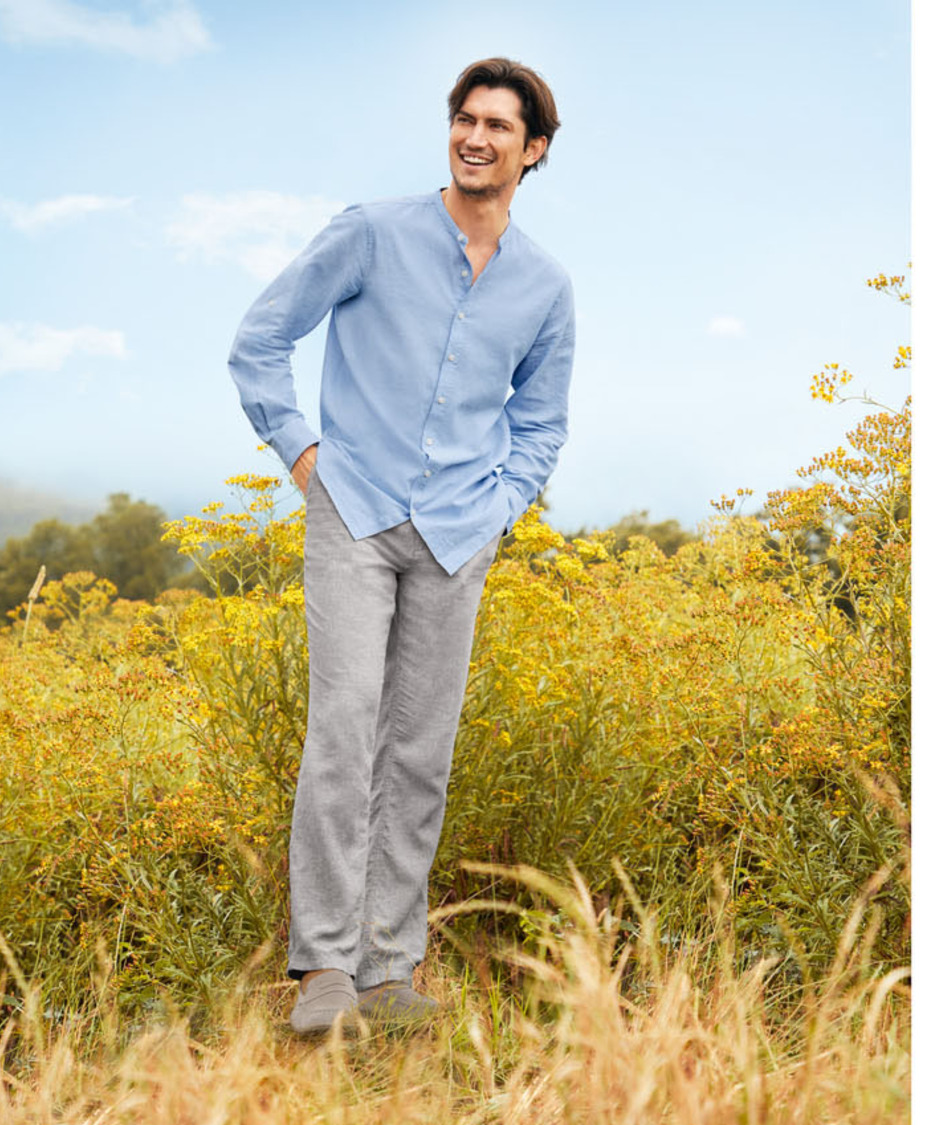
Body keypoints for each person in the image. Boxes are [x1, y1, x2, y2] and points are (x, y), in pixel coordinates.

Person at [227, 57, 575, 1036]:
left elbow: (542, 422)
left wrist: (500, 507)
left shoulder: (545, 287)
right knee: (343, 730)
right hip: (356, 510)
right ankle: (325, 969)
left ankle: (388, 970)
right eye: (466, 119)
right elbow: (260, 340)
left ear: (534, 150)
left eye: (498, 126)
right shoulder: (372, 234)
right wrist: (302, 454)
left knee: (419, 751)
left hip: (458, 533)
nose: (476, 137)